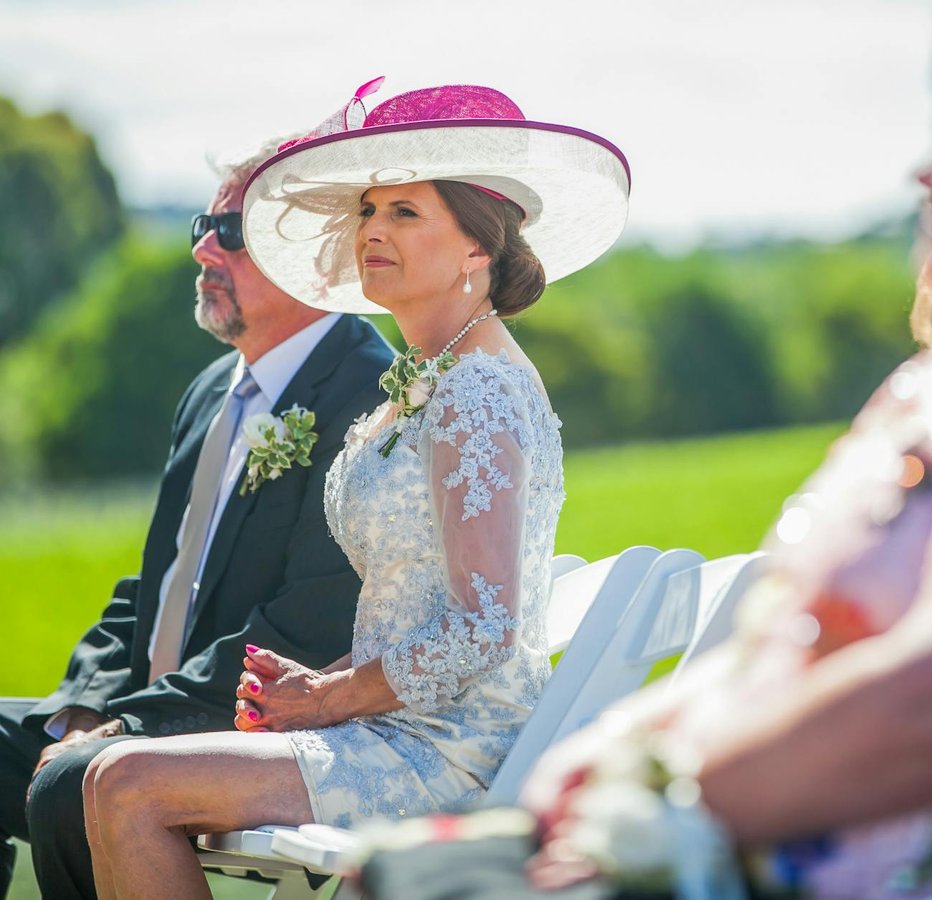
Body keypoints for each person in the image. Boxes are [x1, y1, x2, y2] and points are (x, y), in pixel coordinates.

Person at [356, 2, 932, 897]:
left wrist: (667, 806)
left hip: (855, 870)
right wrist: (613, 754)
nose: (926, 173)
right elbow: (785, 635)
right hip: (729, 833)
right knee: (401, 876)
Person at [79, 80, 630, 899]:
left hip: (451, 749)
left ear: (478, 248)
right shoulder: (434, 377)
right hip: (394, 725)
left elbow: (479, 627)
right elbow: (416, 606)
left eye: (406, 213)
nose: (373, 229)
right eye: (369, 211)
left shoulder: (475, 390)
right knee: (109, 777)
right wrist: (313, 687)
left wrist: (331, 696)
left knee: (125, 781)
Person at [0, 138, 395, 899]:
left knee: (68, 786)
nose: (204, 249)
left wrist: (126, 729)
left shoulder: (370, 396)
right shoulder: (212, 390)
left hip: (253, 722)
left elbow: (311, 621)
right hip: (143, 707)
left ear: (313, 251)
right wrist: (83, 706)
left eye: (234, 232)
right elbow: (155, 585)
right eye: (199, 228)